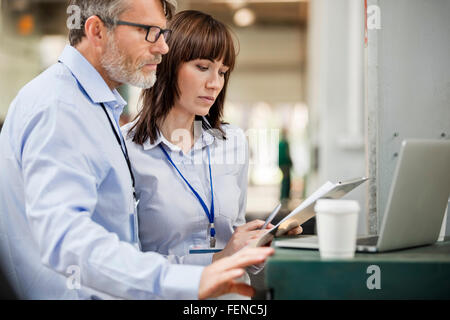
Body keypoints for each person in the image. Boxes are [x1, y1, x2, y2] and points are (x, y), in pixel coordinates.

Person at [0, 0, 273, 300]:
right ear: (97, 31)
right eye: (149, 32)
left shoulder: (95, 109)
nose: (163, 48)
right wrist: (189, 279)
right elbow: (67, 239)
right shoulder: (61, 108)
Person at [122, 10, 302, 298]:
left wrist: (258, 243)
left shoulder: (232, 141)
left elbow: (235, 234)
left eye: (222, 71)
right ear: (166, 63)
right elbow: (123, 264)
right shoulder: (126, 149)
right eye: (202, 67)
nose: (215, 83)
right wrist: (220, 258)